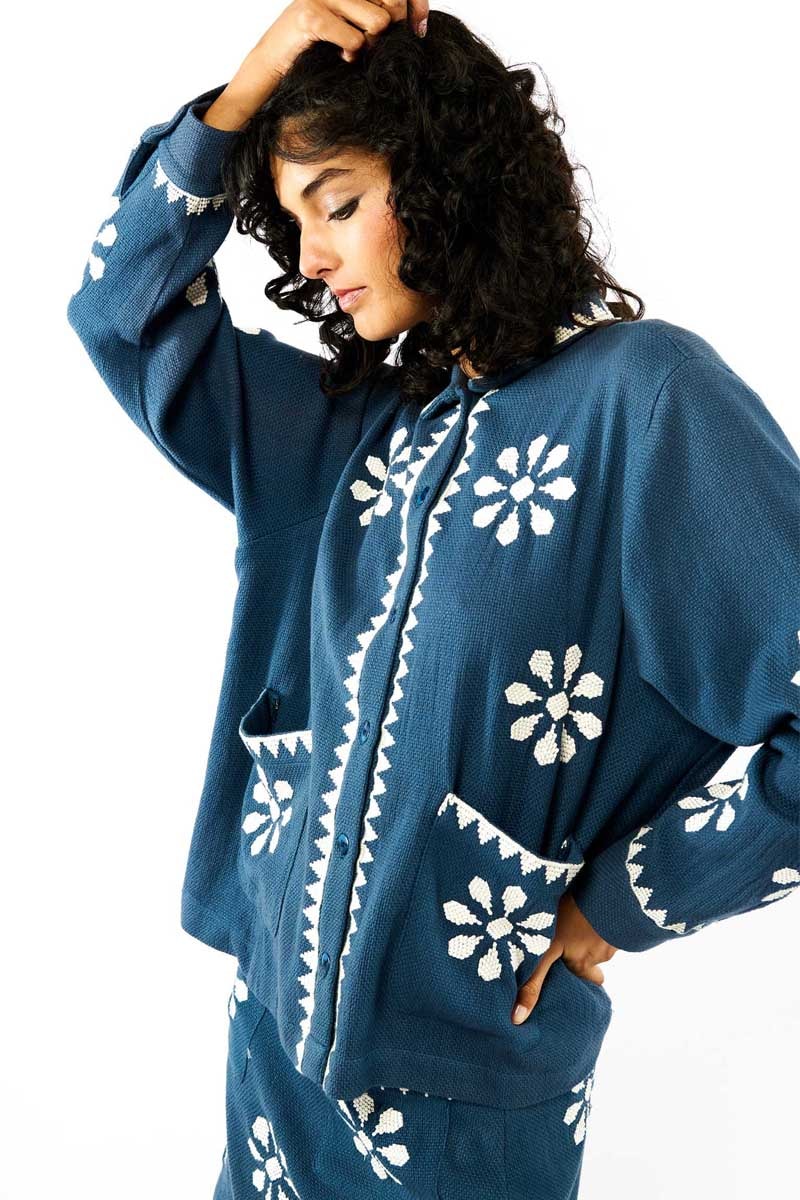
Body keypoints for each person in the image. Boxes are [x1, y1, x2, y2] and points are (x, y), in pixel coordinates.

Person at [66, 5, 800, 1198]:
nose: (310, 259)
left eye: (340, 202)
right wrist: (242, 94)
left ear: (448, 184)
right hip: (270, 1068)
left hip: (463, 1099)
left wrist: (624, 901)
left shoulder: (643, 401)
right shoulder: (344, 434)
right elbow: (122, 314)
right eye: (294, 220)